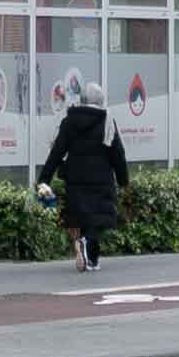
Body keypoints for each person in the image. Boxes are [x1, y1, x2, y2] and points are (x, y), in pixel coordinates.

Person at [47, 86, 128, 267]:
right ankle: (88, 250)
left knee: (83, 216)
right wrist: (123, 180)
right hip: (101, 179)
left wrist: (44, 179)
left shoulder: (69, 121)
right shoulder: (107, 121)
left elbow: (57, 152)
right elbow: (118, 154)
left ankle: (90, 259)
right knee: (97, 220)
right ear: (100, 100)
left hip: (75, 178)